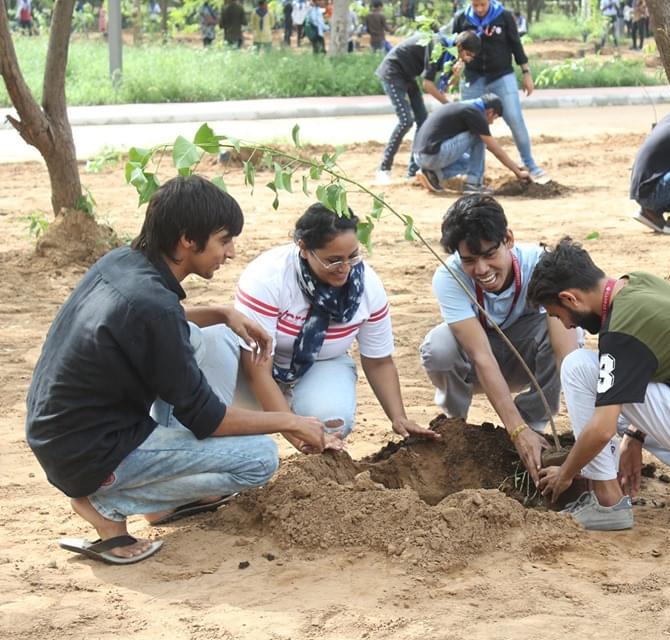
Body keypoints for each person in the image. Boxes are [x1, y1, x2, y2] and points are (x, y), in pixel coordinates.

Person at [25, 176, 330, 566]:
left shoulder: (120, 262)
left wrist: (222, 313)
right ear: (188, 239)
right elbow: (209, 419)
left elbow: (153, 324)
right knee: (259, 459)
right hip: (91, 452)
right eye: (223, 240)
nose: (231, 252)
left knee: (198, 335)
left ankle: (159, 495)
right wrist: (290, 422)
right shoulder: (155, 307)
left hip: (60, 432)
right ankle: (106, 501)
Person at [530, 239, 670, 530]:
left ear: (571, 299)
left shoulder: (621, 330)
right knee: (608, 392)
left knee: (580, 368)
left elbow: (603, 428)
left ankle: (607, 501)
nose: (568, 326)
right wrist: (635, 435)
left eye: (559, 316)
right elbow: (651, 368)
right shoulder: (637, 283)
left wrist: (566, 473)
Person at [234, 204, 438, 448]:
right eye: (333, 260)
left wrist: (399, 417)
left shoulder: (366, 287)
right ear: (304, 249)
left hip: (321, 363)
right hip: (256, 367)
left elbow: (379, 361)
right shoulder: (268, 279)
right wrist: (296, 434)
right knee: (236, 430)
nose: (345, 269)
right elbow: (257, 370)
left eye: (352, 256)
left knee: (332, 423)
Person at [419, 195, 580, 480]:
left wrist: (588, 432)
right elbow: (481, 356)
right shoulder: (450, 278)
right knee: (438, 347)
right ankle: (456, 428)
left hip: (525, 359)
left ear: (508, 239)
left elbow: (567, 354)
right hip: (480, 365)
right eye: (468, 260)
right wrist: (514, 430)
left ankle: (535, 427)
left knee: (565, 327)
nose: (481, 269)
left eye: (489, 254)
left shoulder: (539, 265)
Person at [452, 0, 551, 184]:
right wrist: (454, 67)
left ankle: (530, 164)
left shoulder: (503, 16)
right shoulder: (461, 19)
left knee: (514, 118)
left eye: (482, 5)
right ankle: (473, 173)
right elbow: (453, 48)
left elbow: (516, 44)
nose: (479, 10)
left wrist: (526, 72)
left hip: (501, 76)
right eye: (475, 6)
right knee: (471, 124)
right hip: (473, 78)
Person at [374, 31, 481, 185]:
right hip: (393, 72)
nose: (469, 59)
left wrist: (456, 74)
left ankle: (413, 171)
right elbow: (428, 85)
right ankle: (383, 169)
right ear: (460, 46)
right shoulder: (438, 46)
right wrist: (450, 106)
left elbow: (443, 87)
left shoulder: (449, 54)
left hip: (408, 76)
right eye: (468, 54)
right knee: (406, 121)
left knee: (422, 120)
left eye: (472, 56)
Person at [412, 94, 530, 194]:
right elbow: (496, 150)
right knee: (479, 136)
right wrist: (517, 172)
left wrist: (515, 166)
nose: (492, 123)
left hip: (421, 156)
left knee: (469, 162)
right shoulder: (475, 114)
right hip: (432, 156)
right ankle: (474, 184)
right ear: (490, 112)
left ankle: (433, 174)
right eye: (494, 118)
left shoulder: (464, 107)